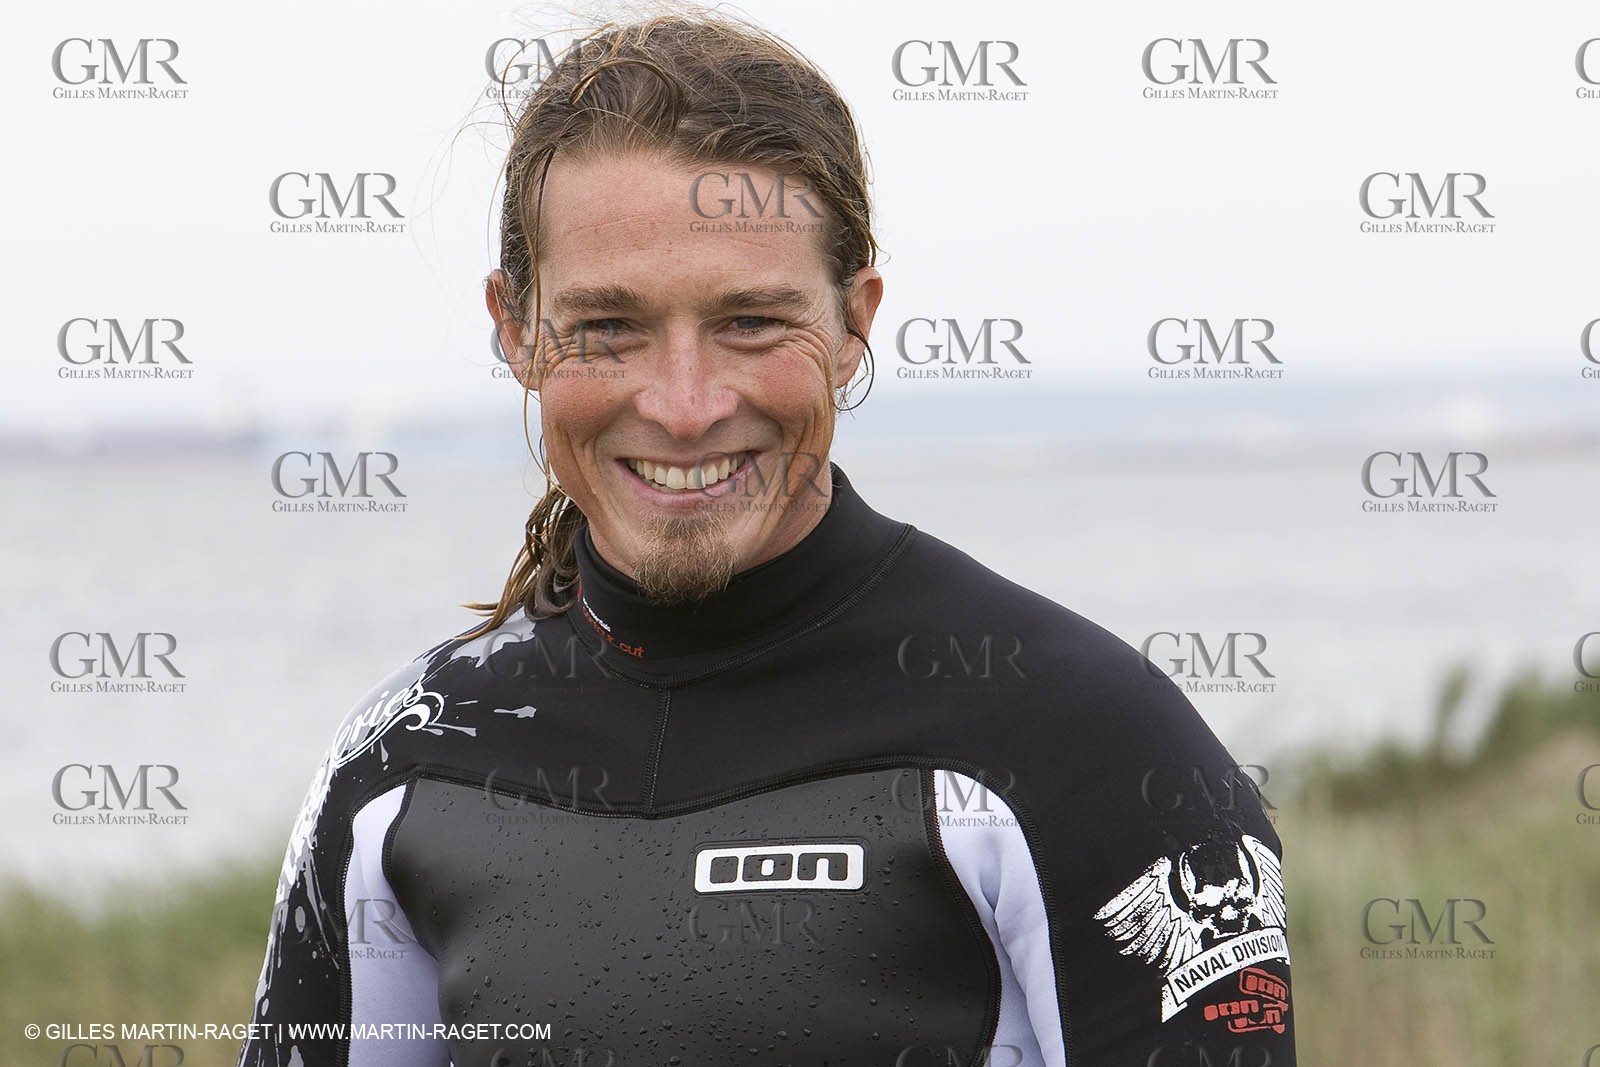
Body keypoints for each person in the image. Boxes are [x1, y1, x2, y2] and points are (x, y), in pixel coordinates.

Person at [239, 12, 1295, 1067]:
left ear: (851, 324)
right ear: (515, 327)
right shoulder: (402, 761)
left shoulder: (1083, 738)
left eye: (750, 321)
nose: (686, 404)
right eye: (608, 326)